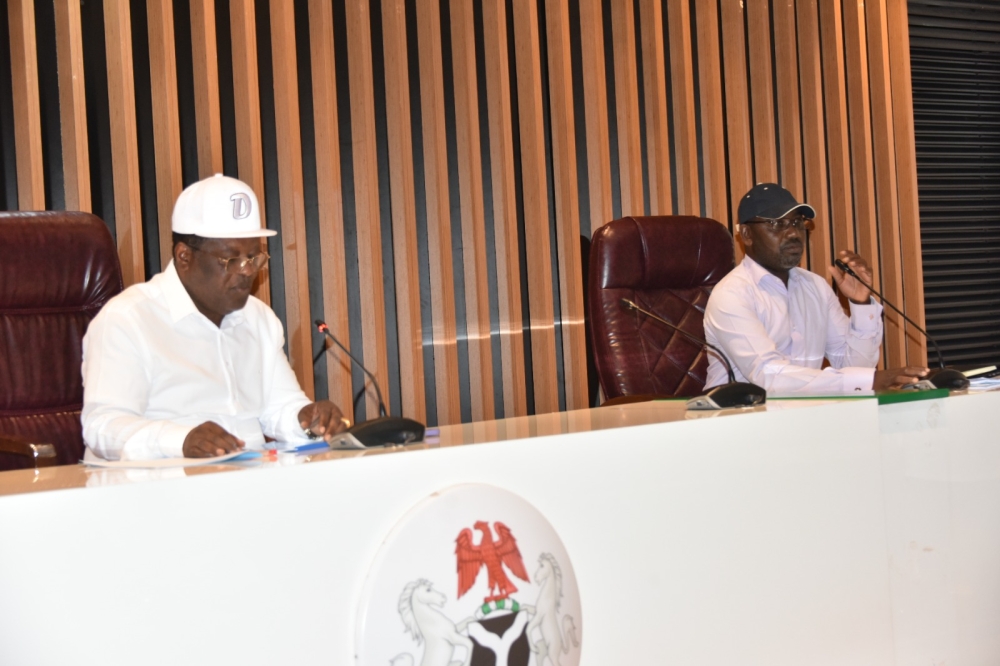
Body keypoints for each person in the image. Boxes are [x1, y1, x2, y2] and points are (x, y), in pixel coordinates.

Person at [82, 174, 348, 460]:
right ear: (184, 256)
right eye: (232, 260)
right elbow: (103, 426)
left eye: (253, 257)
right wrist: (181, 440)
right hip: (157, 490)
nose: (247, 271)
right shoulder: (128, 319)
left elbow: (280, 407)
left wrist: (308, 421)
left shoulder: (259, 319)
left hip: (248, 486)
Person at [703, 182, 928, 394]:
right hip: (740, 421)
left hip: (805, 417)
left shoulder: (815, 287)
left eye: (798, 222)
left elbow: (854, 365)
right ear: (747, 235)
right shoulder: (732, 294)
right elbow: (768, 375)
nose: (793, 233)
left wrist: (860, 304)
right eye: (777, 224)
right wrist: (868, 380)